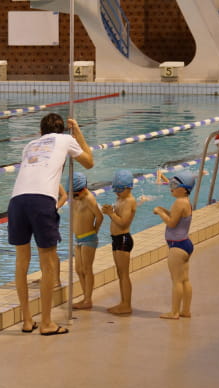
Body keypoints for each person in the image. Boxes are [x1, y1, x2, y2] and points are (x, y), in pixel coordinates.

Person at [8, 113, 93, 336]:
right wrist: (78, 132)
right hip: (41, 200)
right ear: (62, 130)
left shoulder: (29, 145)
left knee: (21, 263)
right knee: (49, 265)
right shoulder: (65, 139)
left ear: (40, 132)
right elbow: (89, 161)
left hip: (17, 201)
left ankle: (27, 321)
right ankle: (46, 323)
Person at [153, 170, 195, 320]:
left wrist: (159, 212)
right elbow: (174, 216)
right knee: (185, 279)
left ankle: (175, 312)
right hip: (185, 243)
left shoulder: (179, 202)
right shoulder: (186, 202)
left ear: (184, 189)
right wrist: (163, 210)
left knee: (177, 280)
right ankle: (186, 310)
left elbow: (171, 222)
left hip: (177, 247)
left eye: (174, 185)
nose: (171, 187)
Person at [101, 169, 137, 315]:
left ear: (129, 187)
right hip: (116, 239)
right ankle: (123, 302)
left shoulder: (129, 201)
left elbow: (122, 223)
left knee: (124, 274)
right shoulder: (121, 199)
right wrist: (110, 210)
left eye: (120, 190)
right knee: (120, 273)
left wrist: (111, 213)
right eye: (116, 190)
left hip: (123, 239)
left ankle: (127, 305)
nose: (117, 193)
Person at [70, 172, 103, 309]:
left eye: (76, 194)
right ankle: (85, 298)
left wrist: (94, 232)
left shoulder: (90, 199)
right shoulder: (77, 198)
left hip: (88, 238)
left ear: (84, 189)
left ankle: (88, 300)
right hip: (77, 239)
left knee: (86, 268)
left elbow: (99, 217)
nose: (74, 197)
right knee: (78, 269)